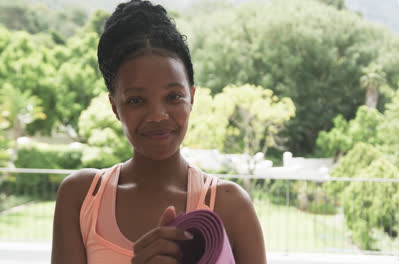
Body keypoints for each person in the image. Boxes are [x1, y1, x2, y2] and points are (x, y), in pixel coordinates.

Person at [51, 0, 267, 263]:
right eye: (136, 100)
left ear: (192, 97)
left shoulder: (230, 205)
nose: (157, 116)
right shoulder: (81, 197)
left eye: (174, 96)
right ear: (114, 106)